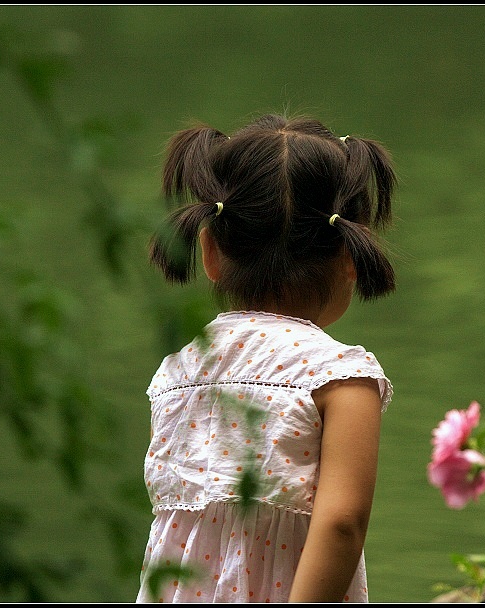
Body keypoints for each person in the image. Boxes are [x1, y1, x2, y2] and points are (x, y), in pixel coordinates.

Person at [135, 114, 398, 603]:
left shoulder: (177, 372)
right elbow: (342, 523)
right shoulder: (341, 378)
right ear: (348, 256)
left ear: (210, 251)